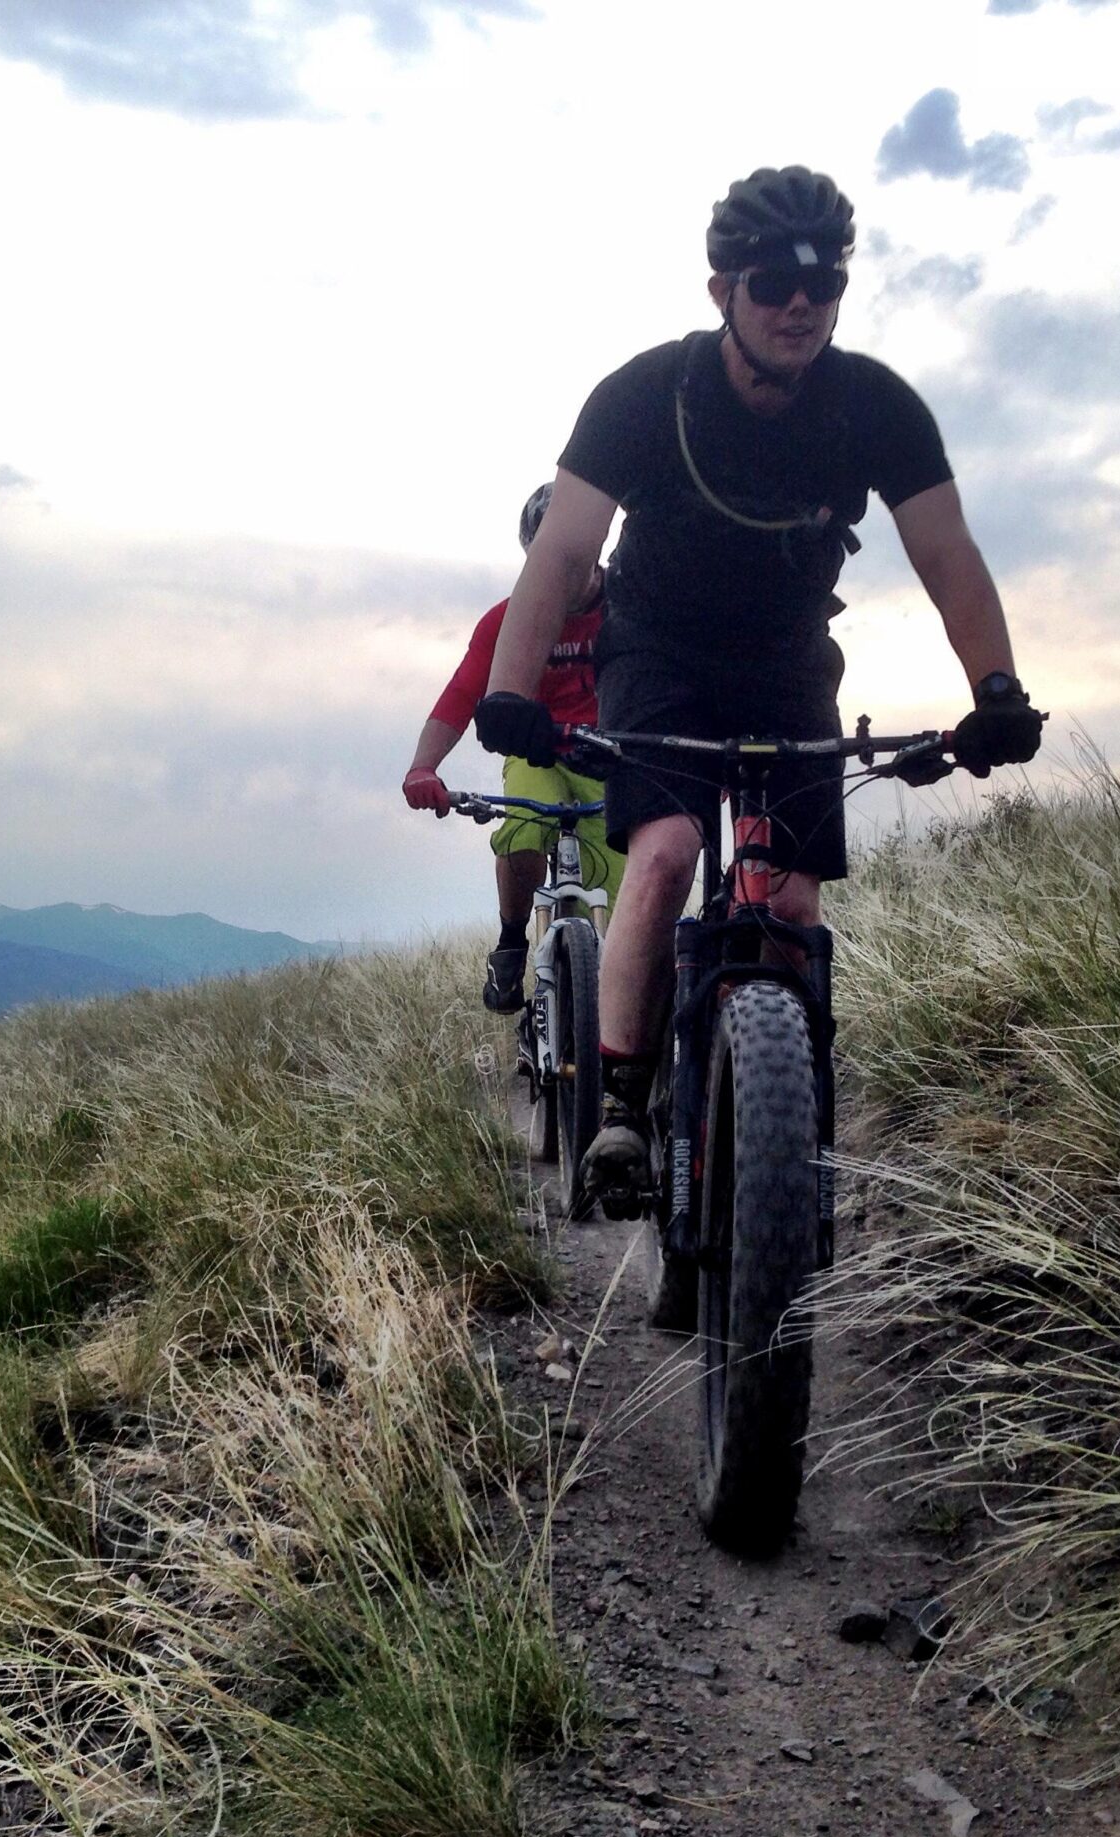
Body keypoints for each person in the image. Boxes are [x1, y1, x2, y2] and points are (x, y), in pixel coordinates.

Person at [471, 165, 1043, 1201]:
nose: (798, 305)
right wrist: (509, 693)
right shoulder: (646, 394)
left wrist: (996, 691)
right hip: (655, 651)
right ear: (721, 292)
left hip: (784, 661)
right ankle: (618, 1113)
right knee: (665, 850)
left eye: (820, 288)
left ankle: (789, 1119)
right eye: (773, 282)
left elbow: (947, 555)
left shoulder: (874, 408)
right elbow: (560, 555)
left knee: (787, 893)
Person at [403, 483, 626, 1012]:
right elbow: (462, 694)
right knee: (523, 830)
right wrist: (422, 767)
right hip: (538, 755)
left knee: (624, 925)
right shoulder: (507, 619)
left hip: (611, 758)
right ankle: (512, 942)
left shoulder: (633, 608)